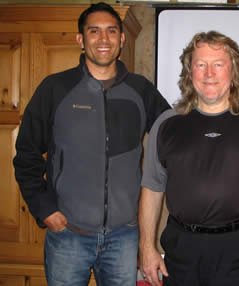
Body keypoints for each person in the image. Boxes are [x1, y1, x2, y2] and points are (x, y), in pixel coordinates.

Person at [13, 2, 169, 285]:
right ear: (80, 40)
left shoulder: (141, 90)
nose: (103, 39)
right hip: (67, 234)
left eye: (111, 31)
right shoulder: (55, 88)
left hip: (124, 235)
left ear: (121, 40)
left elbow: (173, 136)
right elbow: (26, 154)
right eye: (93, 31)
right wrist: (43, 207)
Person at [138, 30, 239, 286]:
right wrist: (147, 247)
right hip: (182, 252)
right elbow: (152, 188)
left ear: (234, 71)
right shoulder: (166, 124)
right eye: (200, 65)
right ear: (189, 72)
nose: (209, 74)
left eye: (218, 64)